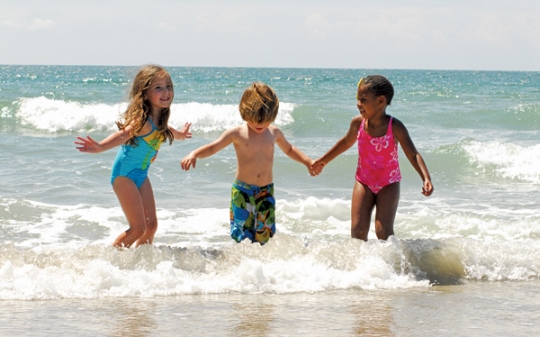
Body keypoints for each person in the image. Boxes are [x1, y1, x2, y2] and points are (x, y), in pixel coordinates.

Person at [181, 82, 315, 245]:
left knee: (265, 237)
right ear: (245, 113)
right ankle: (243, 266)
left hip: (266, 192)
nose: (260, 125)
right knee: (241, 236)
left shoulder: (274, 133)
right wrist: (194, 154)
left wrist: (307, 161)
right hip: (242, 191)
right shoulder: (237, 133)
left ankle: (261, 266)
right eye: (254, 121)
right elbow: (212, 147)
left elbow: (290, 149)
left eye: (265, 121)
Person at [75, 65, 192, 248]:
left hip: (141, 175)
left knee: (151, 226)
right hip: (124, 176)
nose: (166, 92)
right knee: (138, 228)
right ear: (145, 94)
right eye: (158, 87)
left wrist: (182, 135)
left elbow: (170, 131)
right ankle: (112, 260)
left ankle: (141, 262)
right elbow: (123, 134)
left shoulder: (160, 121)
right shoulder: (142, 121)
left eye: (168, 86)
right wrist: (100, 147)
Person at [311, 75, 433, 241]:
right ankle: (360, 266)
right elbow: (346, 142)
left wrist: (426, 177)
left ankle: (394, 264)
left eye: (363, 100)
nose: (358, 104)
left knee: (383, 232)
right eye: (358, 99)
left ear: (380, 101)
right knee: (357, 231)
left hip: (389, 183)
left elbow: (413, 154)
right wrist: (324, 160)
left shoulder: (394, 126)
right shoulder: (357, 123)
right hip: (364, 181)